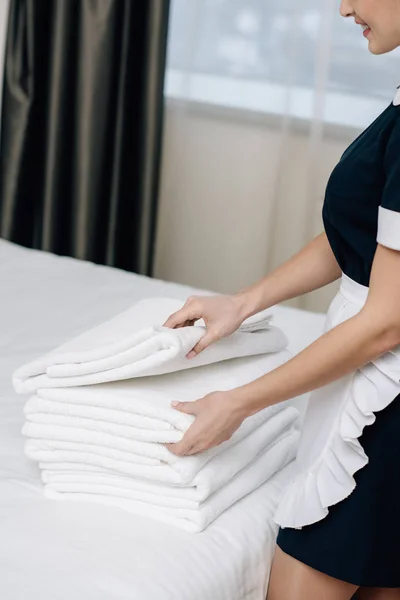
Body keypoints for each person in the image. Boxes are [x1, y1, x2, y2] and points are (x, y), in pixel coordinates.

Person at [163, 1, 400, 598]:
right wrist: (242, 303)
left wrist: (239, 402)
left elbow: (386, 324)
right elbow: (363, 234)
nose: (344, 7)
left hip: (384, 408)